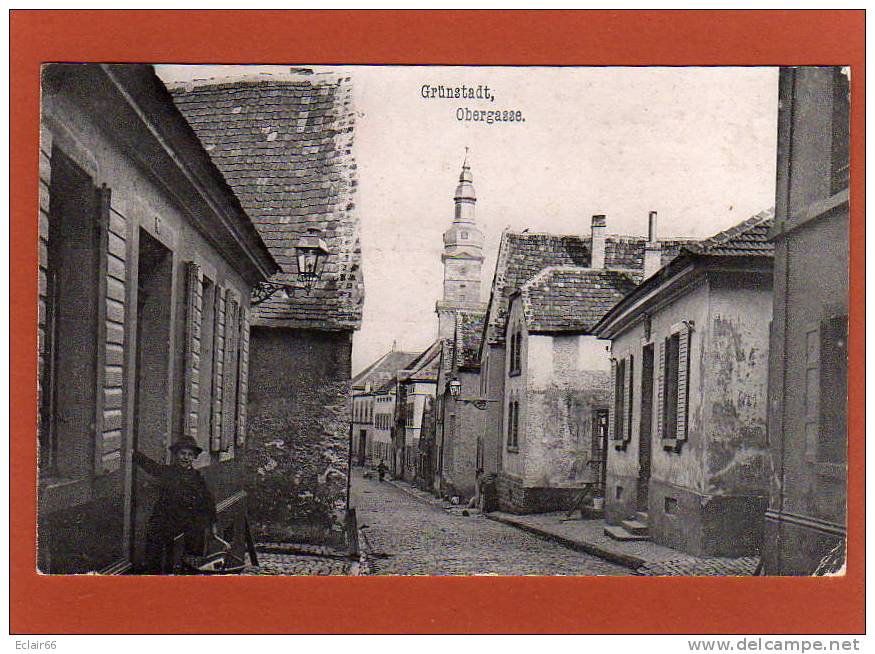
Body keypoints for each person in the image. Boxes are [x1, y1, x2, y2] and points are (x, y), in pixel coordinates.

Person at [133, 435, 217, 574]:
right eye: (183, 453)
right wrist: (135, 455)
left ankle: (188, 573)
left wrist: (213, 524)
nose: (186, 457)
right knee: (156, 542)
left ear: (194, 457)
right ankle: (157, 575)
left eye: (190, 455)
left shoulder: (197, 477)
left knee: (194, 546)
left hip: (188, 522)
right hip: (167, 519)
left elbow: (208, 501)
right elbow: (151, 467)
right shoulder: (168, 472)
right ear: (176, 455)